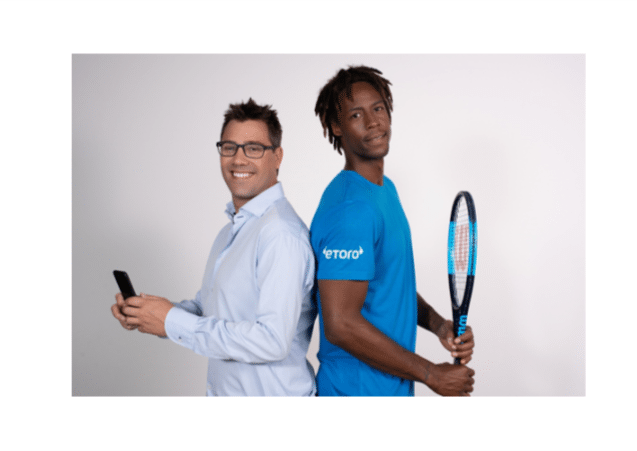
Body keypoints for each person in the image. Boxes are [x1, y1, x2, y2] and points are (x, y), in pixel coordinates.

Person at [110, 98, 317, 396]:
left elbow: (272, 341)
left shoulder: (281, 234)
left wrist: (171, 321)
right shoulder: (230, 232)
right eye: (229, 147)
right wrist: (151, 313)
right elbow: (210, 310)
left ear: (277, 156)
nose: (238, 159)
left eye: (253, 148)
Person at [310, 65, 476, 396]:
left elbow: (385, 284)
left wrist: (438, 325)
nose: (373, 122)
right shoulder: (350, 210)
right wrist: (430, 373)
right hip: (355, 393)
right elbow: (340, 324)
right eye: (356, 114)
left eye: (378, 109)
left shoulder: (384, 189)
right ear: (336, 126)